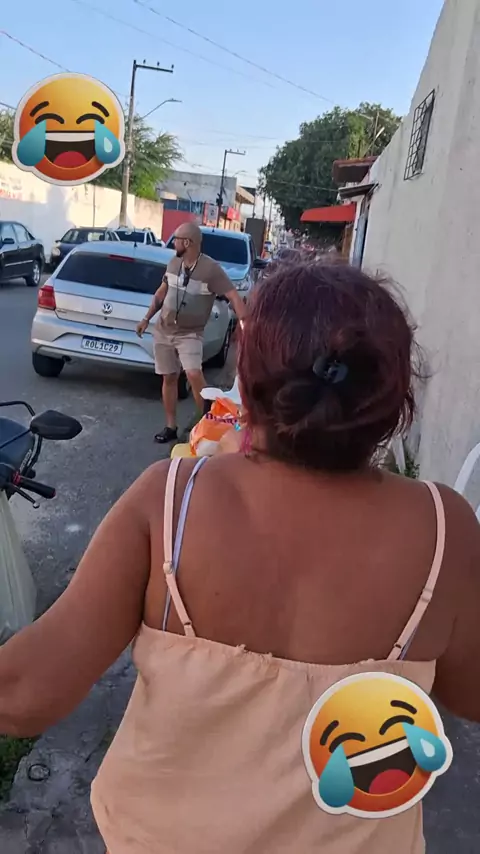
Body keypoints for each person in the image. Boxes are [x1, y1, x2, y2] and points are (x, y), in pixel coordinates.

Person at [1, 261, 480, 854]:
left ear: (249, 379)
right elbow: (471, 694)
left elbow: (25, 694)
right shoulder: (443, 526)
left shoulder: (171, 501)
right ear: (391, 393)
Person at [136, 221, 246, 443]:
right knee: (169, 377)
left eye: (176, 239)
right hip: (164, 330)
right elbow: (161, 292)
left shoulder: (211, 269)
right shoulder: (173, 263)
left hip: (190, 333)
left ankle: (206, 423)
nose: (173, 243)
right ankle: (171, 427)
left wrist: (247, 323)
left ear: (187, 242)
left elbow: (233, 296)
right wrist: (146, 318)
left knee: (194, 373)